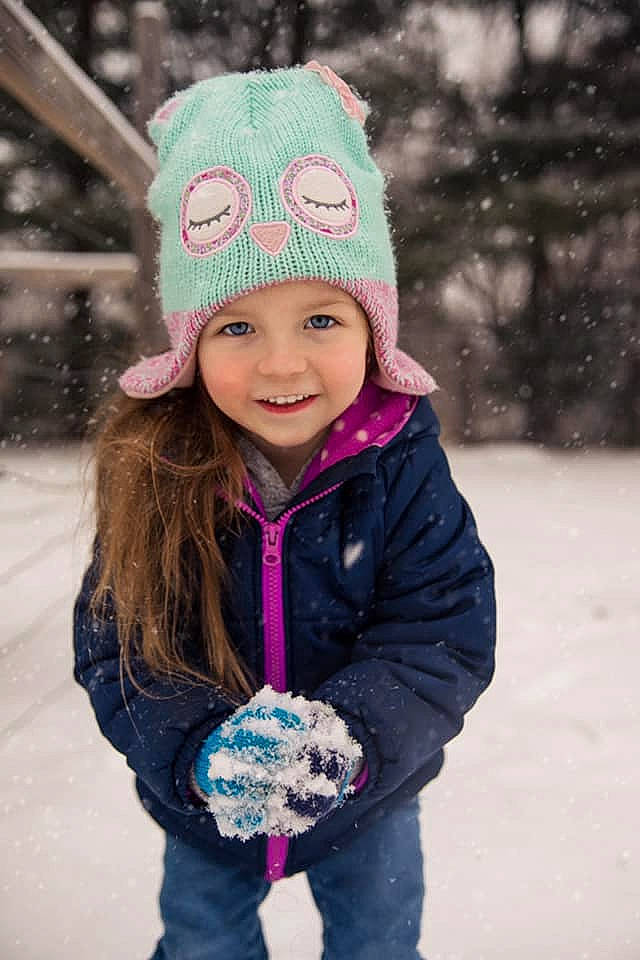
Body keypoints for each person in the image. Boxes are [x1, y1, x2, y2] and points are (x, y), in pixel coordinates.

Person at [73, 61, 496, 960]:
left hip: (370, 798)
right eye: (236, 327)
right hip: (207, 806)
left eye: (320, 320)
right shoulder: (161, 470)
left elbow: (444, 630)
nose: (280, 364)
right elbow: (120, 647)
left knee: (377, 945)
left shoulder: (400, 461)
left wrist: (348, 738)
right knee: (203, 946)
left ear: (374, 326)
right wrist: (198, 750)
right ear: (189, 342)